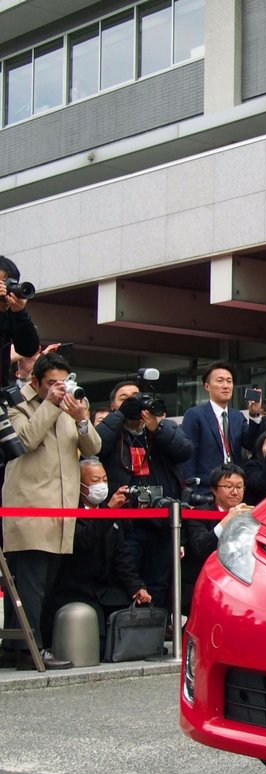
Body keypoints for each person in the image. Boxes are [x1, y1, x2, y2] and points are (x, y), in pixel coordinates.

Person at [0, 351, 101, 670]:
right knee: (28, 585)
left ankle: (20, 649)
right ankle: (31, 649)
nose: (60, 389)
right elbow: (24, 440)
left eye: (64, 382)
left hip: (61, 511)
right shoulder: (18, 405)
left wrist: (82, 418)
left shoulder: (69, 407)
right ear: (35, 382)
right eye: (52, 384)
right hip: (28, 509)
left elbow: (94, 448)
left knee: (47, 584)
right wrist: (50, 404)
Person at [98, 378, 193, 611]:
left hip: (160, 522)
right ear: (113, 406)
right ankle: (124, 642)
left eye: (137, 396)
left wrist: (156, 428)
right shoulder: (113, 431)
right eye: (125, 398)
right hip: (127, 523)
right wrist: (121, 416)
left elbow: (185, 451)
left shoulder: (162, 428)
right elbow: (96, 445)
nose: (133, 402)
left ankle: (154, 640)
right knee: (125, 583)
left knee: (158, 585)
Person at [44, 459, 151, 651]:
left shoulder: (107, 512)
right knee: (96, 633)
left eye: (104, 479)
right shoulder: (70, 512)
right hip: (74, 589)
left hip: (103, 588)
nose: (101, 485)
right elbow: (84, 540)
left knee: (138, 611)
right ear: (81, 485)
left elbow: (122, 556)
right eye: (95, 480)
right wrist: (109, 512)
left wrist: (137, 586)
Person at [180, 463, 251, 616]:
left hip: (239, 584)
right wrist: (226, 521)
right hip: (203, 584)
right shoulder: (199, 513)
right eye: (229, 486)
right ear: (214, 489)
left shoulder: (249, 513)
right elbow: (200, 548)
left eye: (240, 487)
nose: (235, 492)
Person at [182, 362, 252, 497]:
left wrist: (254, 416)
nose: (225, 386)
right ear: (207, 386)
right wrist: (190, 491)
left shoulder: (237, 416)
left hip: (234, 490)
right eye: (220, 381)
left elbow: (250, 443)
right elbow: (189, 456)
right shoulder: (195, 415)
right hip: (206, 489)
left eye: (229, 381)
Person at [0, 256, 41, 387]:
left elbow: (28, 349)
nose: (5, 288)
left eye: (9, 283)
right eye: (1, 282)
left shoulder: (12, 313)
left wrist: (20, 313)